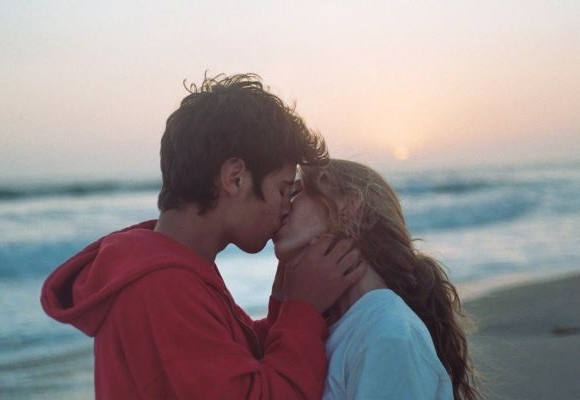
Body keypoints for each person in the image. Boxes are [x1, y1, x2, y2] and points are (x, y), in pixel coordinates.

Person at [41, 74, 365, 399]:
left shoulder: (173, 268)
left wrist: (287, 302)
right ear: (235, 178)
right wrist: (303, 308)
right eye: (282, 190)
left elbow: (234, 361)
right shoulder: (160, 287)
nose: (286, 208)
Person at [273, 159, 481, 400]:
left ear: (349, 206)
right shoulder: (339, 329)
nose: (282, 206)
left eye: (295, 193)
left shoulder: (386, 334)